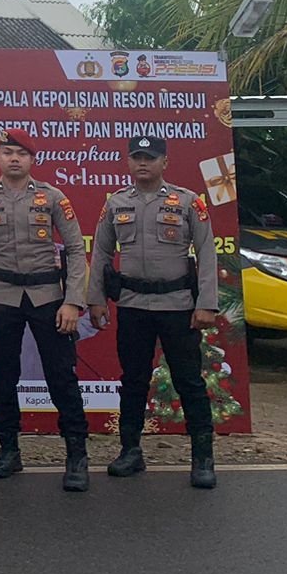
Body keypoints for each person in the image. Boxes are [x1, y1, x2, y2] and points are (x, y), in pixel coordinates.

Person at [88, 135, 221, 489]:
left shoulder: (188, 201)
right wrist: (96, 299)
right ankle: (130, 451)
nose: (142, 163)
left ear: (165, 162)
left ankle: (203, 457)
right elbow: (101, 253)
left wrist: (206, 304)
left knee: (189, 381)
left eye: (150, 157)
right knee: (133, 380)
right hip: (133, 305)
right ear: (128, 162)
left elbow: (207, 253)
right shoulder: (116, 203)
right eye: (137, 157)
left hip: (177, 306)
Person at [0, 129, 92, 492]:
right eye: (8, 152)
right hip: (1, 298)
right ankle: (9, 451)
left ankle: (76, 456)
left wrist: (73, 301)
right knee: (4, 376)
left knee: (61, 376)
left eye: (21, 153)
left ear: (32, 159)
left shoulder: (52, 197)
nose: (14, 159)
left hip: (47, 297)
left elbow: (75, 250)